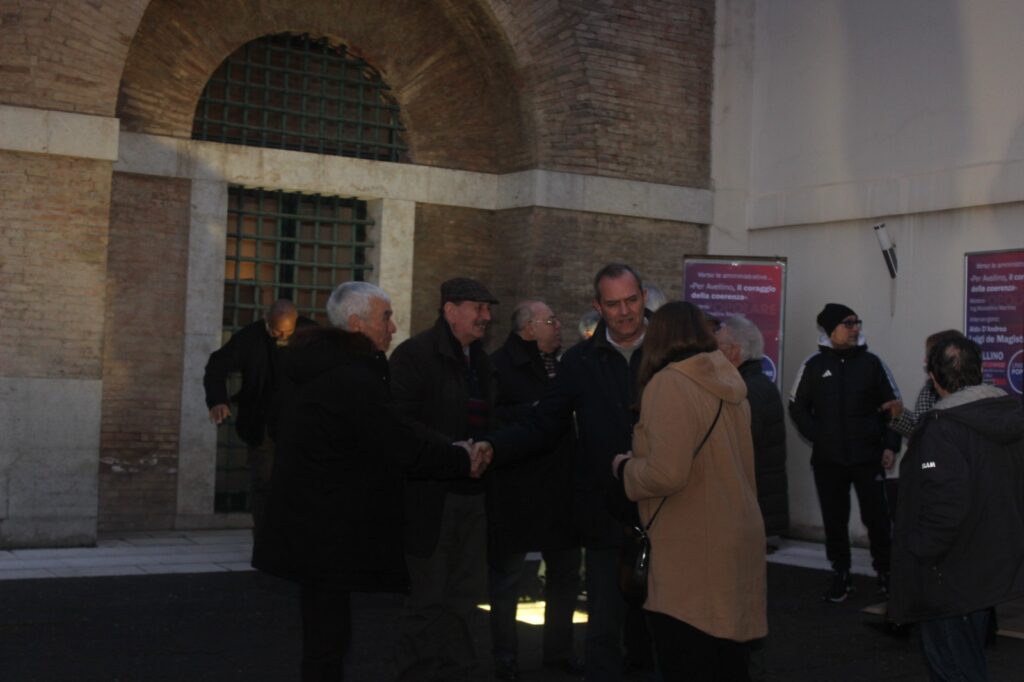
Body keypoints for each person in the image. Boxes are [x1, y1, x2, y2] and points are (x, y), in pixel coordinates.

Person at [250, 282, 489, 682]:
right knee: (328, 638)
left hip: (311, 523)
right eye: (386, 316)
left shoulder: (310, 368)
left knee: (324, 632)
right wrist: (460, 458)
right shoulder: (351, 378)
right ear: (357, 324)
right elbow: (397, 443)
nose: (393, 327)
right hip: (329, 525)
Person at [478, 263, 651, 681]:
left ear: (644, 297)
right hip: (606, 513)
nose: (625, 312)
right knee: (603, 629)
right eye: (613, 304)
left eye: (631, 300)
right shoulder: (580, 360)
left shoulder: (671, 351)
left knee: (660, 629)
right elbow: (545, 422)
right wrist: (494, 445)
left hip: (667, 508)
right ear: (597, 307)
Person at [612, 301, 767, 681]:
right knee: (726, 661)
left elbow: (666, 474)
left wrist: (625, 469)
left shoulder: (669, 384)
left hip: (690, 546)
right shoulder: (730, 382)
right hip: (734, 535)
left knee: (686, 658)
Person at [889, 335, 1024, 681]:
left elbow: (945, 503)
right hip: (990, 563)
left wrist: (918, 549)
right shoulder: (1009, 415)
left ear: (933, 378)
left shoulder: (941, 430)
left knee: (953, 666)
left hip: (948, 571)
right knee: (968, 659)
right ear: (979, 370)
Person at [389, 277, 500, 680]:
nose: (487, 317)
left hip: (473, 495)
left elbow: (492, 418)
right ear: (450, 310)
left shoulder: (482, 362)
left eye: (488, 309)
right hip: (430, 497)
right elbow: (400, 424)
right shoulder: (414, 356)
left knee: (466, 595)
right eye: (479, 308)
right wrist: (455, 452)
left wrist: (487, 444)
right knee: (427, 597)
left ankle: (459, 670)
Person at [487, 300, 582, 680]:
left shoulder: (563, 366)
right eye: (551, 320)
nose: (559, 325)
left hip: (560, 489)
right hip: (517, 488)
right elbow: (491, 419)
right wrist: (535, 410)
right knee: (507, 579)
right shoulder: (498, 366)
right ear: (528, 327)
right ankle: (504, 658)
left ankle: (558, 653)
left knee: (565, 576)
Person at [788, 302, 901, 602]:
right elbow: (797, 407)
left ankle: (886, 573)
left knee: (877, 519)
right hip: (829, 461)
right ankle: (841, 573)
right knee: (834, 520)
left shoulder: (873, 364)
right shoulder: (813, 366)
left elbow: (894, 407)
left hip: (868, 457)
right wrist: (820, 437)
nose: (855, 328)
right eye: (848, 323)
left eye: (857, 322)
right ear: (830, 329)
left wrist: (890, 445)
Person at [203, 299, 314, 535]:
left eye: (287, 332)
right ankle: (265, 537)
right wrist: (218, 400)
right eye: (276, 331)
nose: (281, 336)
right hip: (261, 422)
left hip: (298, 424)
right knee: (264, 481)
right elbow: (216, 365)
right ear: (266, 320)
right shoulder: (250, 338)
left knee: (299, 482)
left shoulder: (311, 335)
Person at [716, 314, 789, 541]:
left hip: (752, 506)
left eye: (717, 347)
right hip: (757, 503)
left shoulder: (747, 390)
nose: (712, 355)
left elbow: (740, 444)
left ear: (734, 351)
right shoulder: (753, 384)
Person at [882, 329, 967, 439]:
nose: (925, 360)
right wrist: (899, 415)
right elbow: (920, 432)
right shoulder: (929, 390)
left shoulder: (974, 391)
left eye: (929, 355)